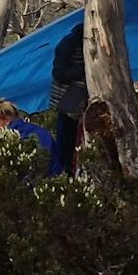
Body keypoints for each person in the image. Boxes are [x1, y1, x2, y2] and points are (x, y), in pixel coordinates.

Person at [47, 20, 86, 176]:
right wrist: (84, 69)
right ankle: (63, 176)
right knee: (66, 144)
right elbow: (59, 74)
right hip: (68, 102)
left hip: (84, 101)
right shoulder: (69, 43)